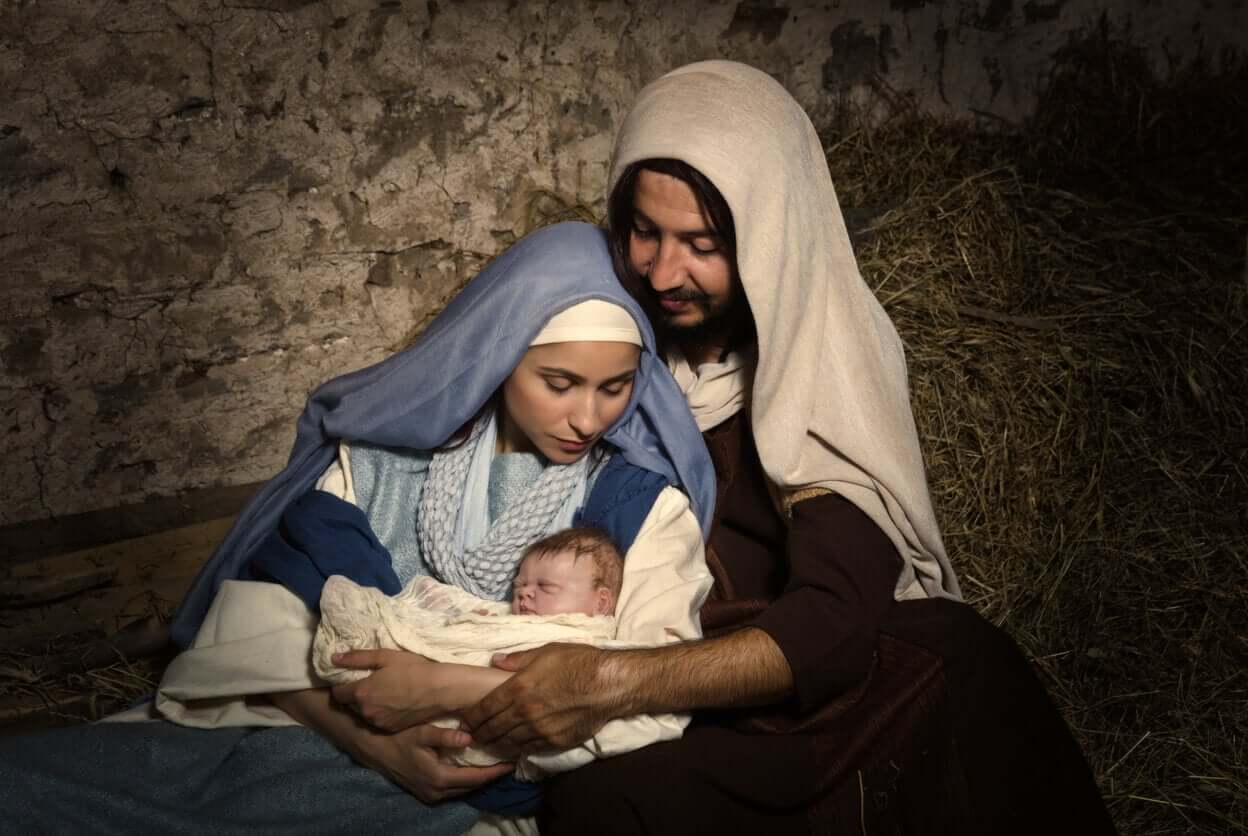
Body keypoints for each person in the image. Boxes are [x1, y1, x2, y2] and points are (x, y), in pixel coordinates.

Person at [452, 61, 1117, 834]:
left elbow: (831, 626)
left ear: (769, 237)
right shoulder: (608, 339)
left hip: (809, 684)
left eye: (702, 243)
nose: (665, 272)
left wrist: (608, 680)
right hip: (668, 665)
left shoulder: (825, 361)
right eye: (645, 232)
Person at [0, 222, 715, 836]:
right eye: (559, 383)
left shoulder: (636, 508)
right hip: (295, 733)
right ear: (497, 361)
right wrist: (360, 737)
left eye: (615, 387)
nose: (589, 419)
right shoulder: (379, 463)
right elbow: (263, 625)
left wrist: (440, 693)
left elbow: (647, 696)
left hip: (458, 795)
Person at [312, 526, 630, 774]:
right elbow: (468, 629)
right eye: (519, 586)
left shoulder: (587, 643)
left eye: (545, 587)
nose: (525, 595)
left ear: (601, 602)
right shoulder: (512, 617)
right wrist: (476, 623)